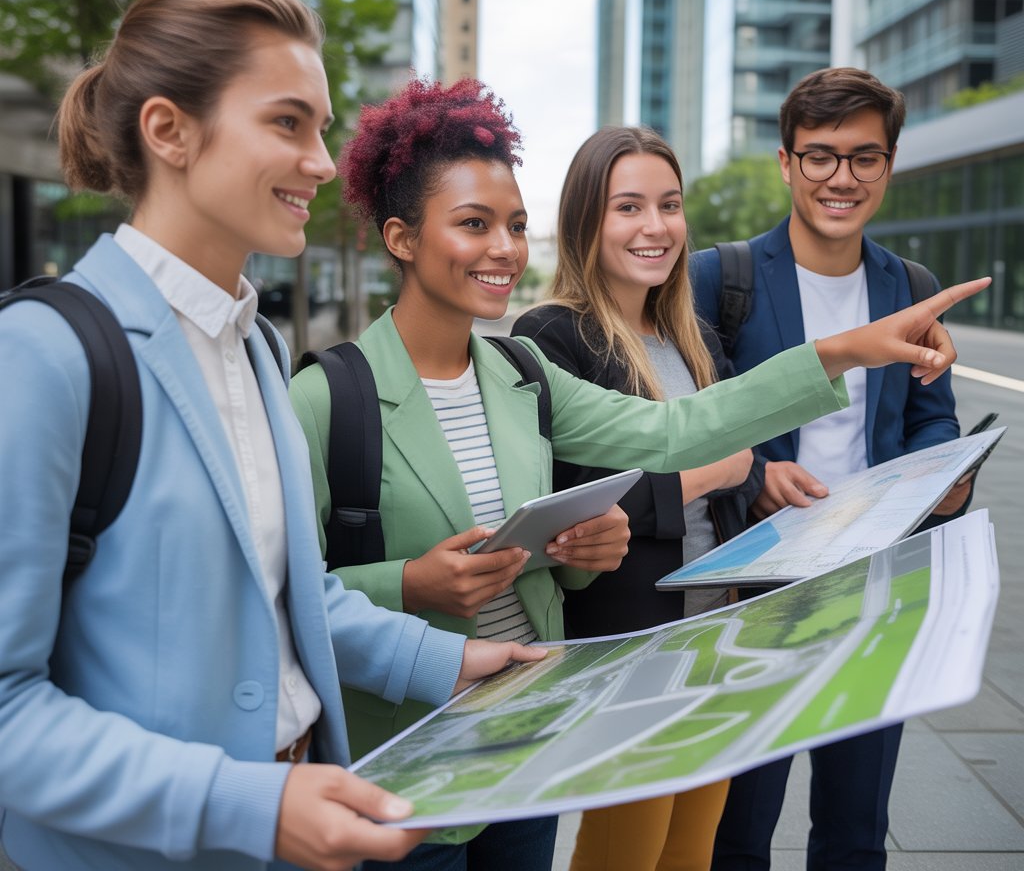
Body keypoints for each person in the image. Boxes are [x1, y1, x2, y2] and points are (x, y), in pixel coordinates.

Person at [289, 76, 985, 871]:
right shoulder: (322, 397)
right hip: (408, 750)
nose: (506, 248)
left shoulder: (522, 373)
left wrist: (848, 348)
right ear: (402, 238)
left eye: (515, 225)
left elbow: (672, 429)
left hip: (527, 725)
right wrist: (411, 584)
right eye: (474, 224)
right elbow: (287, 593)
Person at [0, 0, 545, 871]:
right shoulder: (46, 355)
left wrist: (446, 664)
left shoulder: (250, 347)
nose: (325, 163)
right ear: (169, 130)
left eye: (322, 128)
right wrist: (246, 802)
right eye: (288, 122)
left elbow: (294, 596)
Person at [690, 67, 974, 871]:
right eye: (819, 156)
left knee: (855, 831)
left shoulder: (908, 285)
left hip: (874, 588)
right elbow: (685, 418)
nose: (840, 178)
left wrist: (944, 474)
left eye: (863, 157)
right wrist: (752, 477)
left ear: (888, 166)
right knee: (737, 830)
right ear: (786, 163)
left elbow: (929, 414)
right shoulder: (724, 277)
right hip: (752, 596)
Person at [512, 126, 763, 871]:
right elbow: (569, 498)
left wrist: (731, 471)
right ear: (588, 222)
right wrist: (712, 471)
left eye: (670, 205)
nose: (655, 227)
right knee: (626, 850)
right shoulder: (550, 337)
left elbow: (747, 467)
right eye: (629, 207)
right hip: (629, 636)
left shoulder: (693, 336)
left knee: (691, 849)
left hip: (716, 629)